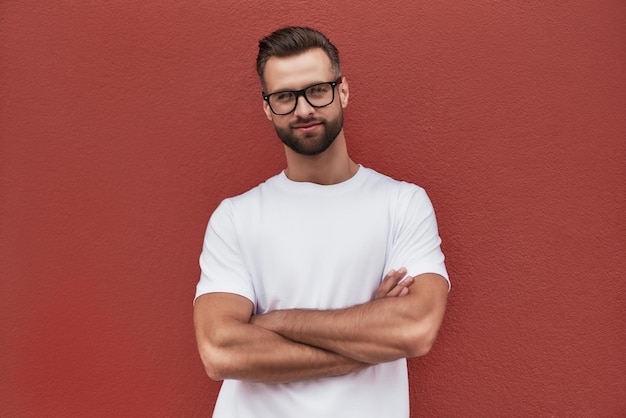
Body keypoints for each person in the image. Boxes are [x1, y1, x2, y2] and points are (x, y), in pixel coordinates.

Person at [193, 26, 450, 418]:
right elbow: (220, 350)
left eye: (317, 90)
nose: (303, 109)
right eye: (284, 97)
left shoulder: (401, 203)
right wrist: (367, 335)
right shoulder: (236, 217)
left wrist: (271, 322)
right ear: (267, 107)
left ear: (342, 90)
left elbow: (414, 329)